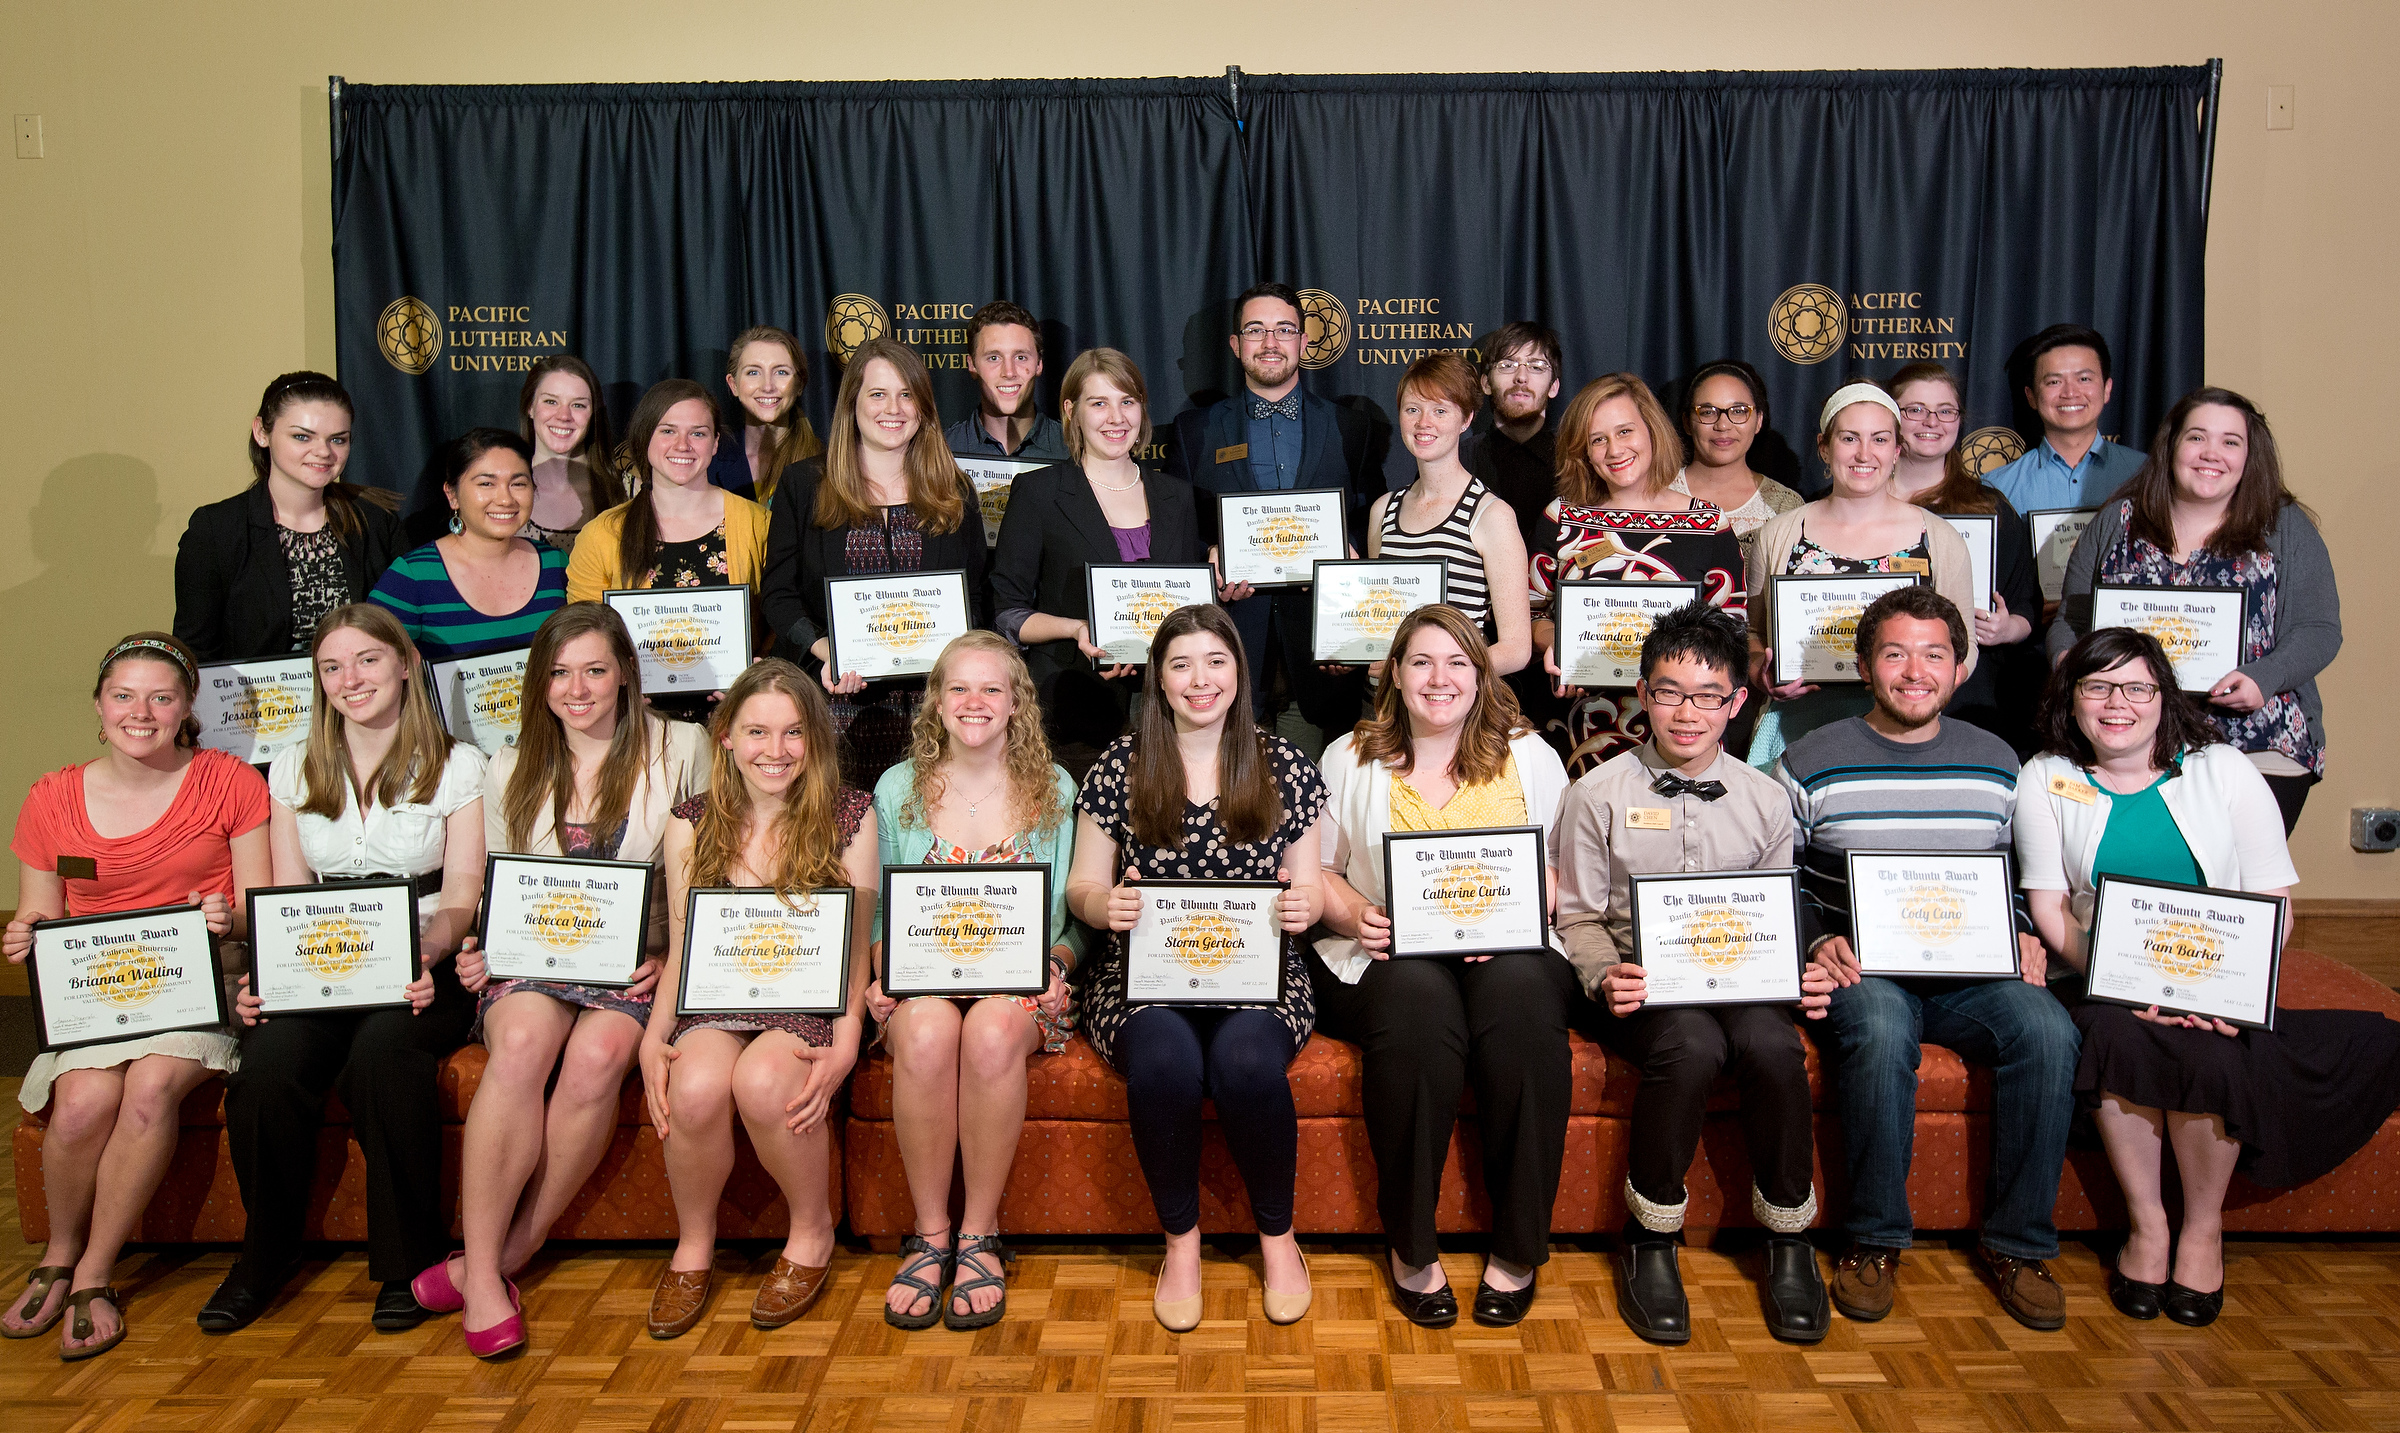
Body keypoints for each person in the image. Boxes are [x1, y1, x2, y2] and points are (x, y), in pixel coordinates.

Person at [2018, 627, 2400, 1327]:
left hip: (2220, 983)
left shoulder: (2223, 768)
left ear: (2164, 697)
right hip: (2105, 981)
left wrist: (2227, 990)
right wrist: (2117, 977)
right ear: (2071, 701)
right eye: (2097, 686)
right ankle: (2148, 1227)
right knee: (2113, 1034)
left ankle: (2202, 1229)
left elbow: (2273, 905)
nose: (2116, 703)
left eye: (2136, 687)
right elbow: (2048, 907)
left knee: (2212, 1048)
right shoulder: (2044, 774)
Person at [410, 603, 709, 1358]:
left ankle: (507, 1254)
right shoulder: (509, 763)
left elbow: (707, 869)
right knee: (519, 1049)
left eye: (595, 669)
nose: (577, 688)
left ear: (625, 674)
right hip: (535, 964)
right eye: (560, 672)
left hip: (635, 964)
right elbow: (494, 886)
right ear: (540, 682)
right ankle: (483, 1274)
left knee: (600, 1056)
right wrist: (480, 947)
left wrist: (672, 950)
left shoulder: (683, 746)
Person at [1778, 586, 2079, 1332]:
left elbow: (2015, 874)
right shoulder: (1811, 760)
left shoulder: (1999, 763)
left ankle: (2019, 1245)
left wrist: (2025, 934)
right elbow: (1778, 878)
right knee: (1880, 1027)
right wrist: (1817, 939)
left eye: (1934, 654)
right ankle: (1873, 1240)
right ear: (1864, 664)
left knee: (2046, 1027)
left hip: (1972, 973)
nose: (1916, 671)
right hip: (1864, 969)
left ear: (1961, 664)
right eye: (1896, 653)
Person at [197, 605, 489, 1335]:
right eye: (332, 667)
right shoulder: (294, 766)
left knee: (383, 1057)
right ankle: (263, 1255)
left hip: (425, 961)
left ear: (404, 664)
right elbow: (288, 895)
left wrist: (430, 950)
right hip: (320, 958)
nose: (349, 679)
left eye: (365, 660)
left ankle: (408, 1263)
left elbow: (461, 897)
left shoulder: (460, 764)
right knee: (265, 1069)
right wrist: (265, 976)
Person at [1553, 601, 1835, 1346]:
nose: (1688, 712)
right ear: (1643, 694)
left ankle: (1788, 1237)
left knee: (1776, 1047)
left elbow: (1778, 910)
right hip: (1641, 984)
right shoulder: (1594, 794)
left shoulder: (1767, 798)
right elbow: (1576, 915)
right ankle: (1650, 1235)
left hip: (1740, 982)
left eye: (1708, 695)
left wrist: (1800, 966)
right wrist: (1605, 973)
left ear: (1737, 703)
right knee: (1692, 1044)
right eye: (1670, 691)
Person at [3, 634, 270, 1358]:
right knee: (85, 1099)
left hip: (202, 984)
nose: (141, 711)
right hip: (98, 988)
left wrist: (229, 915)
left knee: (151, 1088)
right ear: (98, 705)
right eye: (124, 695)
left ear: (186, 707)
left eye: (161, 696)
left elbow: (257, 905)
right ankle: (59, 1253)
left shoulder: (230, 781)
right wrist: (27, 931)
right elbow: (40, 910)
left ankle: (96, 1271)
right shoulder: (51, 796)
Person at [1064, 603, 1327, 1332]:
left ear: (1239, 673)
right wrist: (1102, 904)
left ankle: (1278, 1238)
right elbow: (1082, 883)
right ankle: (1181, 1240)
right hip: (1145, 974)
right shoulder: (1121, 763)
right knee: (1165, 1062)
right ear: (1158, 679)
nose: (1199, 678)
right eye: (1180, 664)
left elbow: (1306, 884)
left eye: (1215, 661)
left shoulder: (1283, 762)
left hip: (1259, 975)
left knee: (1246, 1060)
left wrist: (1303, 905)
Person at [1313, 606, 1571, 1328]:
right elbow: (1320, 872)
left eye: (1458, 661)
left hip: (1510, 948)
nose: (1440, 678)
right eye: (1422, 661)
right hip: (1386, 952)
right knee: (1419, 1005)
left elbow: (1562, 870)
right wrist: (1353, 914)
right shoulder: (1348, 756)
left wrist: (1511, 914)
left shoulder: (1531, 754)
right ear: (1394, 672)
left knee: (1521, 997)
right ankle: (1412, 1247)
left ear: (1480, 674)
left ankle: (1518, 1247)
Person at [639, 659, 874, 1338]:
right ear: (726, 737)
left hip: (807, 1000)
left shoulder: (850, 814)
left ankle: (812, 1231)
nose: (776, 750)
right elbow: (683, 946)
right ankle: (693, 1244)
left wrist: (849, 1031)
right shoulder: (690, 823)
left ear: (816, 740)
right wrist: (655, 1036)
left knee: (765, 1079)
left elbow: (855, 950)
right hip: (714, 997)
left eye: (794, 732)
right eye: (757, 731)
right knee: (696, 1084)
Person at [862, 634, 1081, 1329]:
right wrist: (880, 976)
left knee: (988, 1031)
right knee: (926, 1030)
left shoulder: (1057, 789)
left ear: (1017, 701)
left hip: (1018, 989)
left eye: (991, 688)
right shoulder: (896, 788)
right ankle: (930, 1234)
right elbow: (877, 915)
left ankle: (979, 1232)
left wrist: (1058, 965)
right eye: (958, 687)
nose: (975, 702)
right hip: (919, 983)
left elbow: (1077, 920)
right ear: (936, 701)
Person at [2050, 387, 2340, 832]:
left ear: (2249, 456)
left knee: (2236, 893)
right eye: (2196, 437)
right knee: (2141, 884)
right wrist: (2067, 661)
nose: (2212, 453)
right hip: (2126, 737)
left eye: (2230, 442)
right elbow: (2071, 619)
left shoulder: (2283, 526)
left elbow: (2318, 629)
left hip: (2256, 739)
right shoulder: (2118, 520)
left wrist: (2265, 677)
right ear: (2172, 446)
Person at [760, 337, 991, 789]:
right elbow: (779, 593)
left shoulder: (955, 490)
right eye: (879, 394)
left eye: (907, 395)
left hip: (935, 714)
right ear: (852, 404)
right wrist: (826, 649)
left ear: (924, 408)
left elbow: (978, 598)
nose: (895, 408)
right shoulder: (805, 484)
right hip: (836, 706)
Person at [1169, 283, 1381, 746]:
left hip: (1324, 651)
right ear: (1235, 345)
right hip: (1227, 647)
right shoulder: (1194, 430)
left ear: (1304, 342)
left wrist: (1351, 556)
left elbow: (1373, 522)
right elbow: (1175, 530)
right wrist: (1208, 554)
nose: (1270, 343)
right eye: (1256, 330)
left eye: (1284, 330)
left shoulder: (1351, 426)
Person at [1744, 383, 1979, 766]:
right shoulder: (1779, 534)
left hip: (1905, 732)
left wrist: (1922, 689)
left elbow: (1965, 646)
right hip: (1799, 728)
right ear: (1824, 446)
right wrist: (1761, 673)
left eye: (1880, 439)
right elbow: (1753, 633)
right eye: (1849, 438)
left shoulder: (1940, 538)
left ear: (1897, 450)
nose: (1864, 454)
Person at [1527, 373, 1745, 775]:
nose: (1615, 450)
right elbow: (1536, 615)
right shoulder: (1560, 518)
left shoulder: (1709, 523)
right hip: (1580, 731)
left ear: (1652, 431)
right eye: (1598, 439)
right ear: (1584, 452)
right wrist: (1555, 647)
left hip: (1684, 732)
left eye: (1625, 431)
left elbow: (1732, 634)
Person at [988, 347, 1206, 734]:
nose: (1117, 418)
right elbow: (1008, 613)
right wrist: (1076, 628)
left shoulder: (1177, 496)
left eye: (1127, 402)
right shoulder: (1039, 493)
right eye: (1099, 403)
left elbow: (1191, 607)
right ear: (1072, 411)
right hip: (1073, 706)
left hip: (1174, 712)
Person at [567, 380, 771, 723]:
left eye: (698, 433)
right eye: (667, 431)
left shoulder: (757, 524)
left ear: (716, 443)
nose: (682, 445)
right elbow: (584, 636)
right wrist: (619, 680)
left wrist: (760, 670)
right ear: (644, 438)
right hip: (640, 728)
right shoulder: (601, 535)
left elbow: (778, 617)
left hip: (738, 721)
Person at [174, 372, 404, 661]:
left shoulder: (377, 523)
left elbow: (401, 637)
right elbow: (194, 654)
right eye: (301, 436)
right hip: (255, 704)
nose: (323, 452)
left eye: (338, 439)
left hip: (359, 700)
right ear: (261, 432)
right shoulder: (215, 530)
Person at [1887, 362, 2043, 751]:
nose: (1932, 421)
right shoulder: (1850, 505)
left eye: (1945, 411)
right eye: (1916, 409)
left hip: (1969, 696)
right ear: (1890, 416)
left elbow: (2029, 607)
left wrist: (2008, 628)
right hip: (1875, 688)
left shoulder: (1989, 508)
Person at [1364, 354, 1532, 676]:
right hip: (1386, 706)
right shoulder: (1383, 510)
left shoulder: (1491, 515)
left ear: (1466, 419)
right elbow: (1380, 628)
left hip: (1454, 707)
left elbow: (1516, 650)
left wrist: (1434, 677)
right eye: (1412, 409)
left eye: (1440, 411)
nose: (1423, 423)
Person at [370, 429, 570, 662]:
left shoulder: (555, 564)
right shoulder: (411, 576)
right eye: (486, 483)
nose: (505, 499)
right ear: (452, 495)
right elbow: (373, 664)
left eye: (518, 484)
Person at [1985, 325, 2147, 515]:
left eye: (2084, 379)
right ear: (2031, 397)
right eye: (2054, 382)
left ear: (2107, 389)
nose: (2070, 393)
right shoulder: (1997, 487)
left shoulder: (2146, 475)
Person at [1670, 358, 1804, 567]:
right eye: (1707, 412)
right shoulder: (1655, 493)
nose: (1723, 425)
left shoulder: (1785, 506)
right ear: (1687, 422)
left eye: (1739, 411)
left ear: (1759, 420)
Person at [1466, 321, 1565, 566]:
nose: (1521, 377)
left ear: (1554, 386)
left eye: (1537, 366)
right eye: (1507, 365)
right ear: (1486, 383)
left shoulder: (1578, 462)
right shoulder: (1457, 460)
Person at [518, 354, 624, 552]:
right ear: (530, 407)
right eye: (551, 402)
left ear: (593, 414)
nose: (564, 416)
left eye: (578, 405)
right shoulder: (503, 491)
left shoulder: (626, 491)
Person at [708, 325, 824, 504]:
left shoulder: (826, 466)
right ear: (733, 385)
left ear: (800, 384)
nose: (768, 386)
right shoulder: (709, 461)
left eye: (781, 372)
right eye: (753, 372)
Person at [943, 301, 1072, 462]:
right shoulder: (942, 451)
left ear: (1039, 364)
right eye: (994, 358)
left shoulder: (1072, 449)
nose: (1009, 372)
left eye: (1020, 357)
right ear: (972, 365)